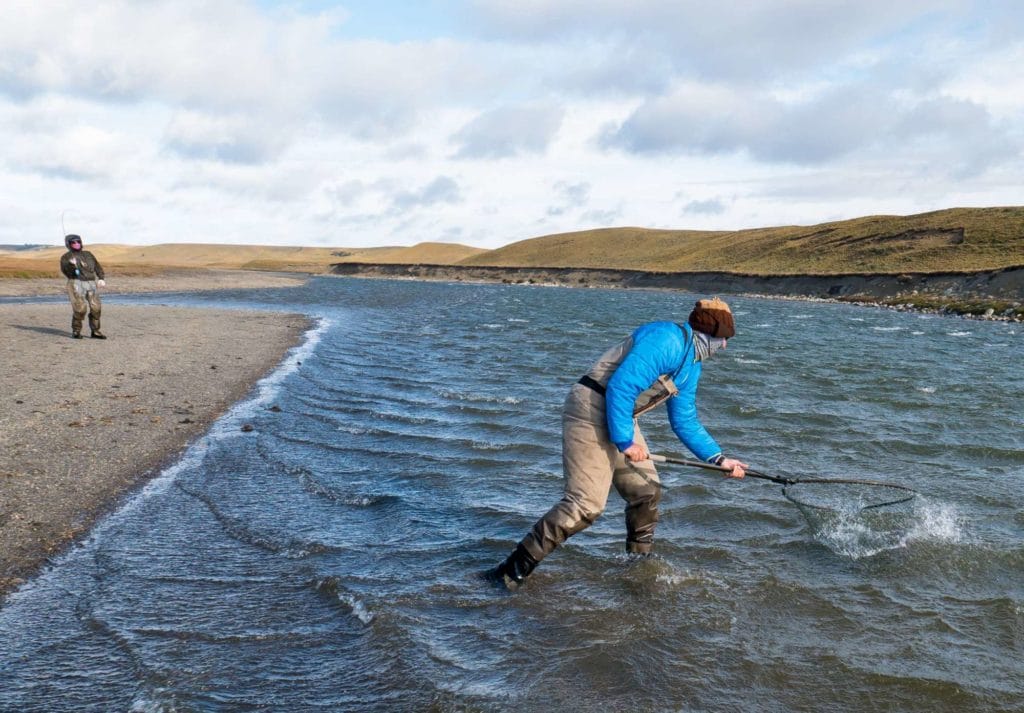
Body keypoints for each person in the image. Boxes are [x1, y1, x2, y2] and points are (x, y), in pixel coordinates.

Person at [488, 297, 748, 591]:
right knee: (586, 505)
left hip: (622, 414)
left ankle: (637, 564)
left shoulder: (691, 365)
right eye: (722, 340)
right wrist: (624, 441)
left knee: (647, 492)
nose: (723, 347)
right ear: (709, 332)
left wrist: (718, 458)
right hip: (590, 409)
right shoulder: (667, 339)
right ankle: (509, 573)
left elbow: (685, 420)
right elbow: (622, 386)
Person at [59, 234, 106, 339]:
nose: (76, 244)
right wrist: (71, 265)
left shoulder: (88, 254)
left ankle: (96, 331)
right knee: (80, 309)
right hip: (75, 282)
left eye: (78, 241)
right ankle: (76, 331)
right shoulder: (66, 257)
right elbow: (67, 273)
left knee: (96, 308)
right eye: (73, 242)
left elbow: (97, 266)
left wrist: (101, 278)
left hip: (91, 283)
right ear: (68, 244)